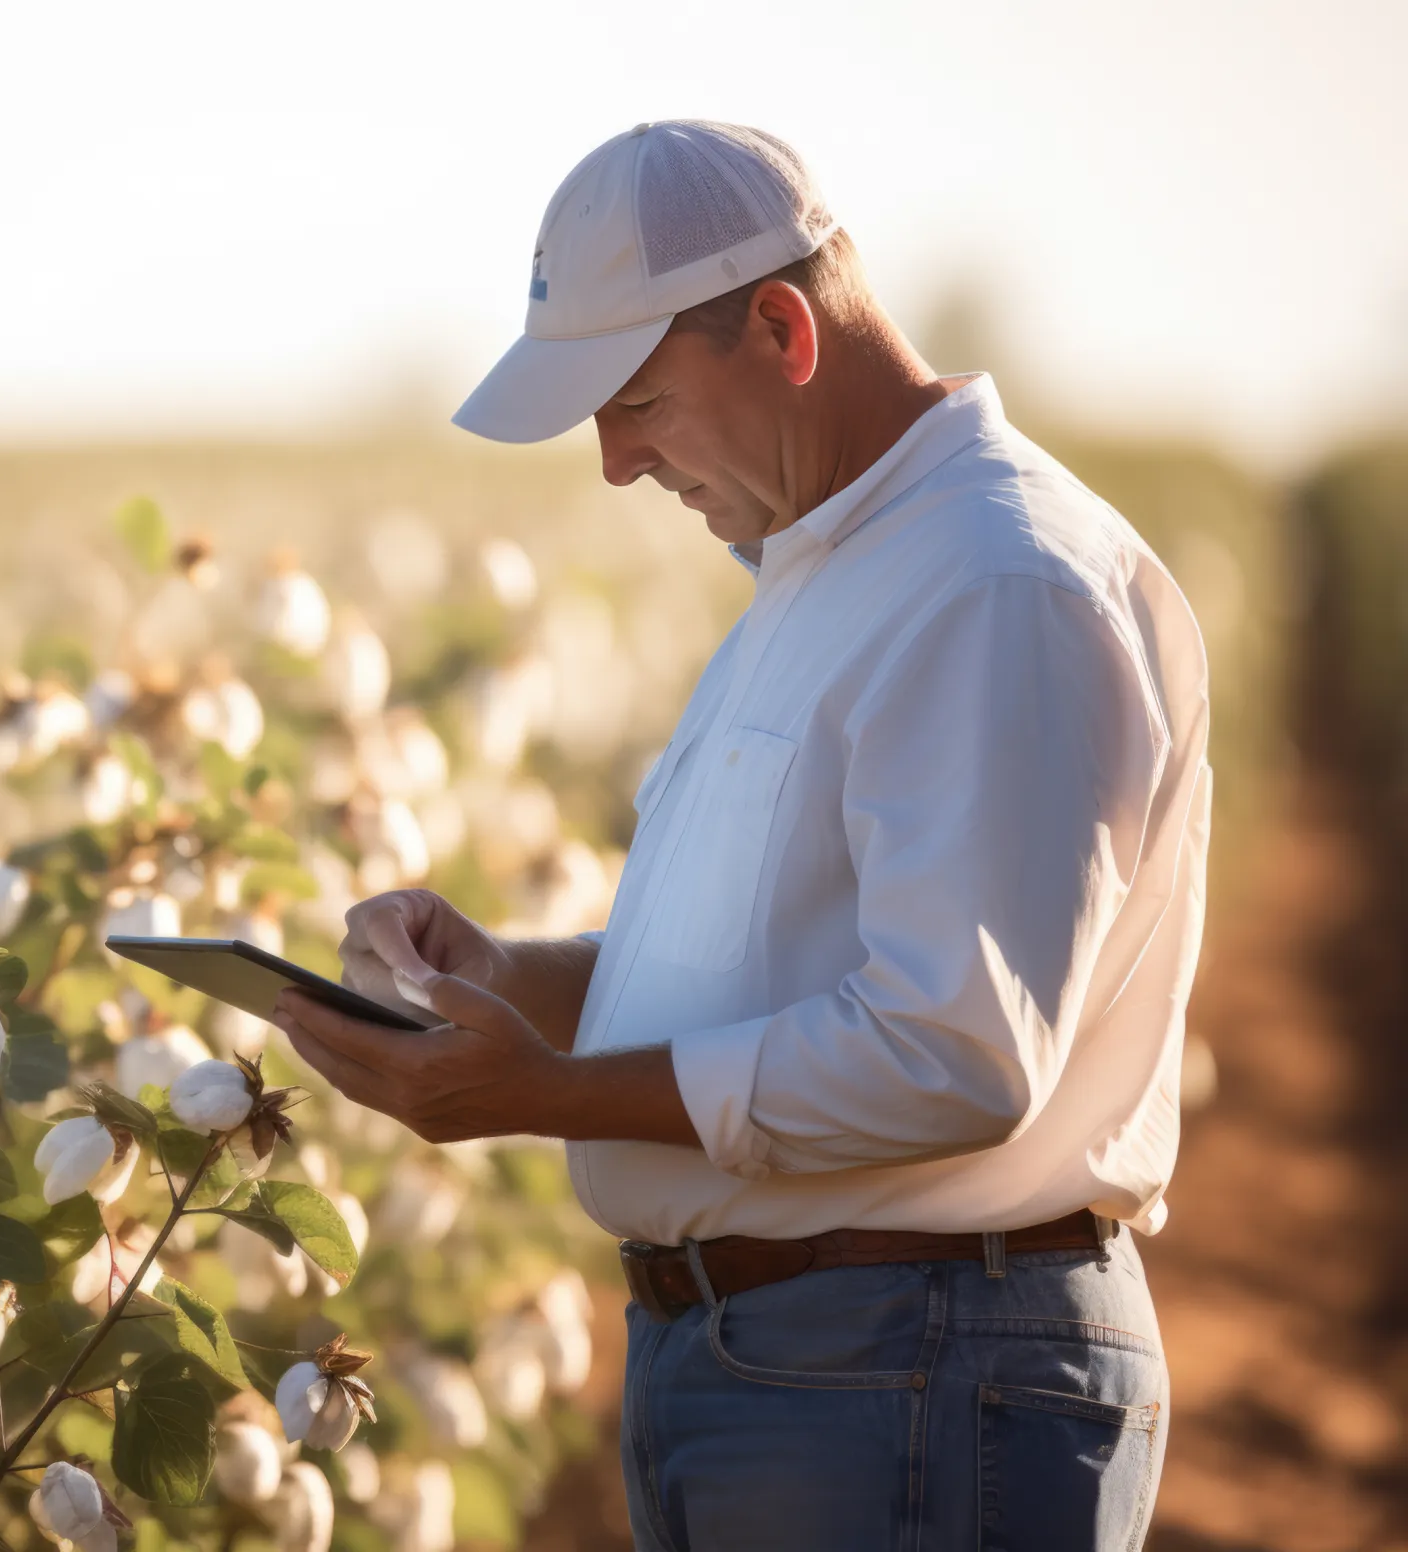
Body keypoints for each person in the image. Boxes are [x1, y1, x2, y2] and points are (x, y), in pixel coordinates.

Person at [270, 119, 1210, 1550]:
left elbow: (954, 1051)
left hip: (913, 1368)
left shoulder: (993, 581)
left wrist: (548, 1095)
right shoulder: (824, 567)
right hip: (813, 1369)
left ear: (781, 328)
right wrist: (507, 978)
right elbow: (773, 966)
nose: (613, 462)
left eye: (638, 401)